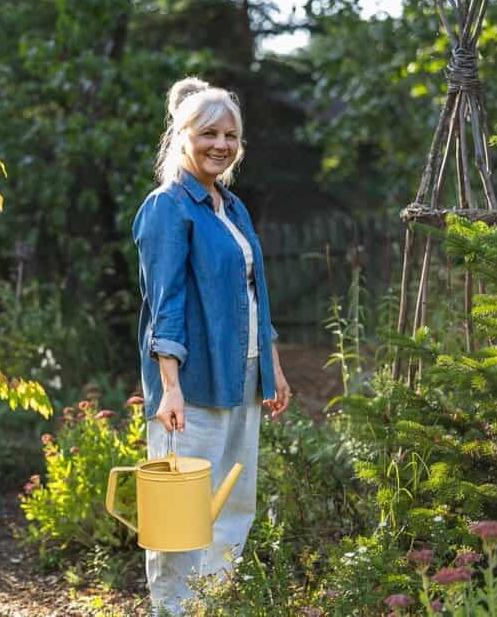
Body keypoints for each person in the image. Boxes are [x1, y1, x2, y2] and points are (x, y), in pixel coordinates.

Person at [132, 77, 292, 615]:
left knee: (234, 509)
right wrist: (169, 388)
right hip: (191, 387)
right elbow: (165, 305)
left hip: (243, 378)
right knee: (181, 518)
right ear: (182, 137)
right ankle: (173, 610)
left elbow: (254, 294)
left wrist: (273, 367)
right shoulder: (167, 207)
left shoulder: (233, 207)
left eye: (230, 135)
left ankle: (214, 607)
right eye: (208, 134)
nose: (221, 145)